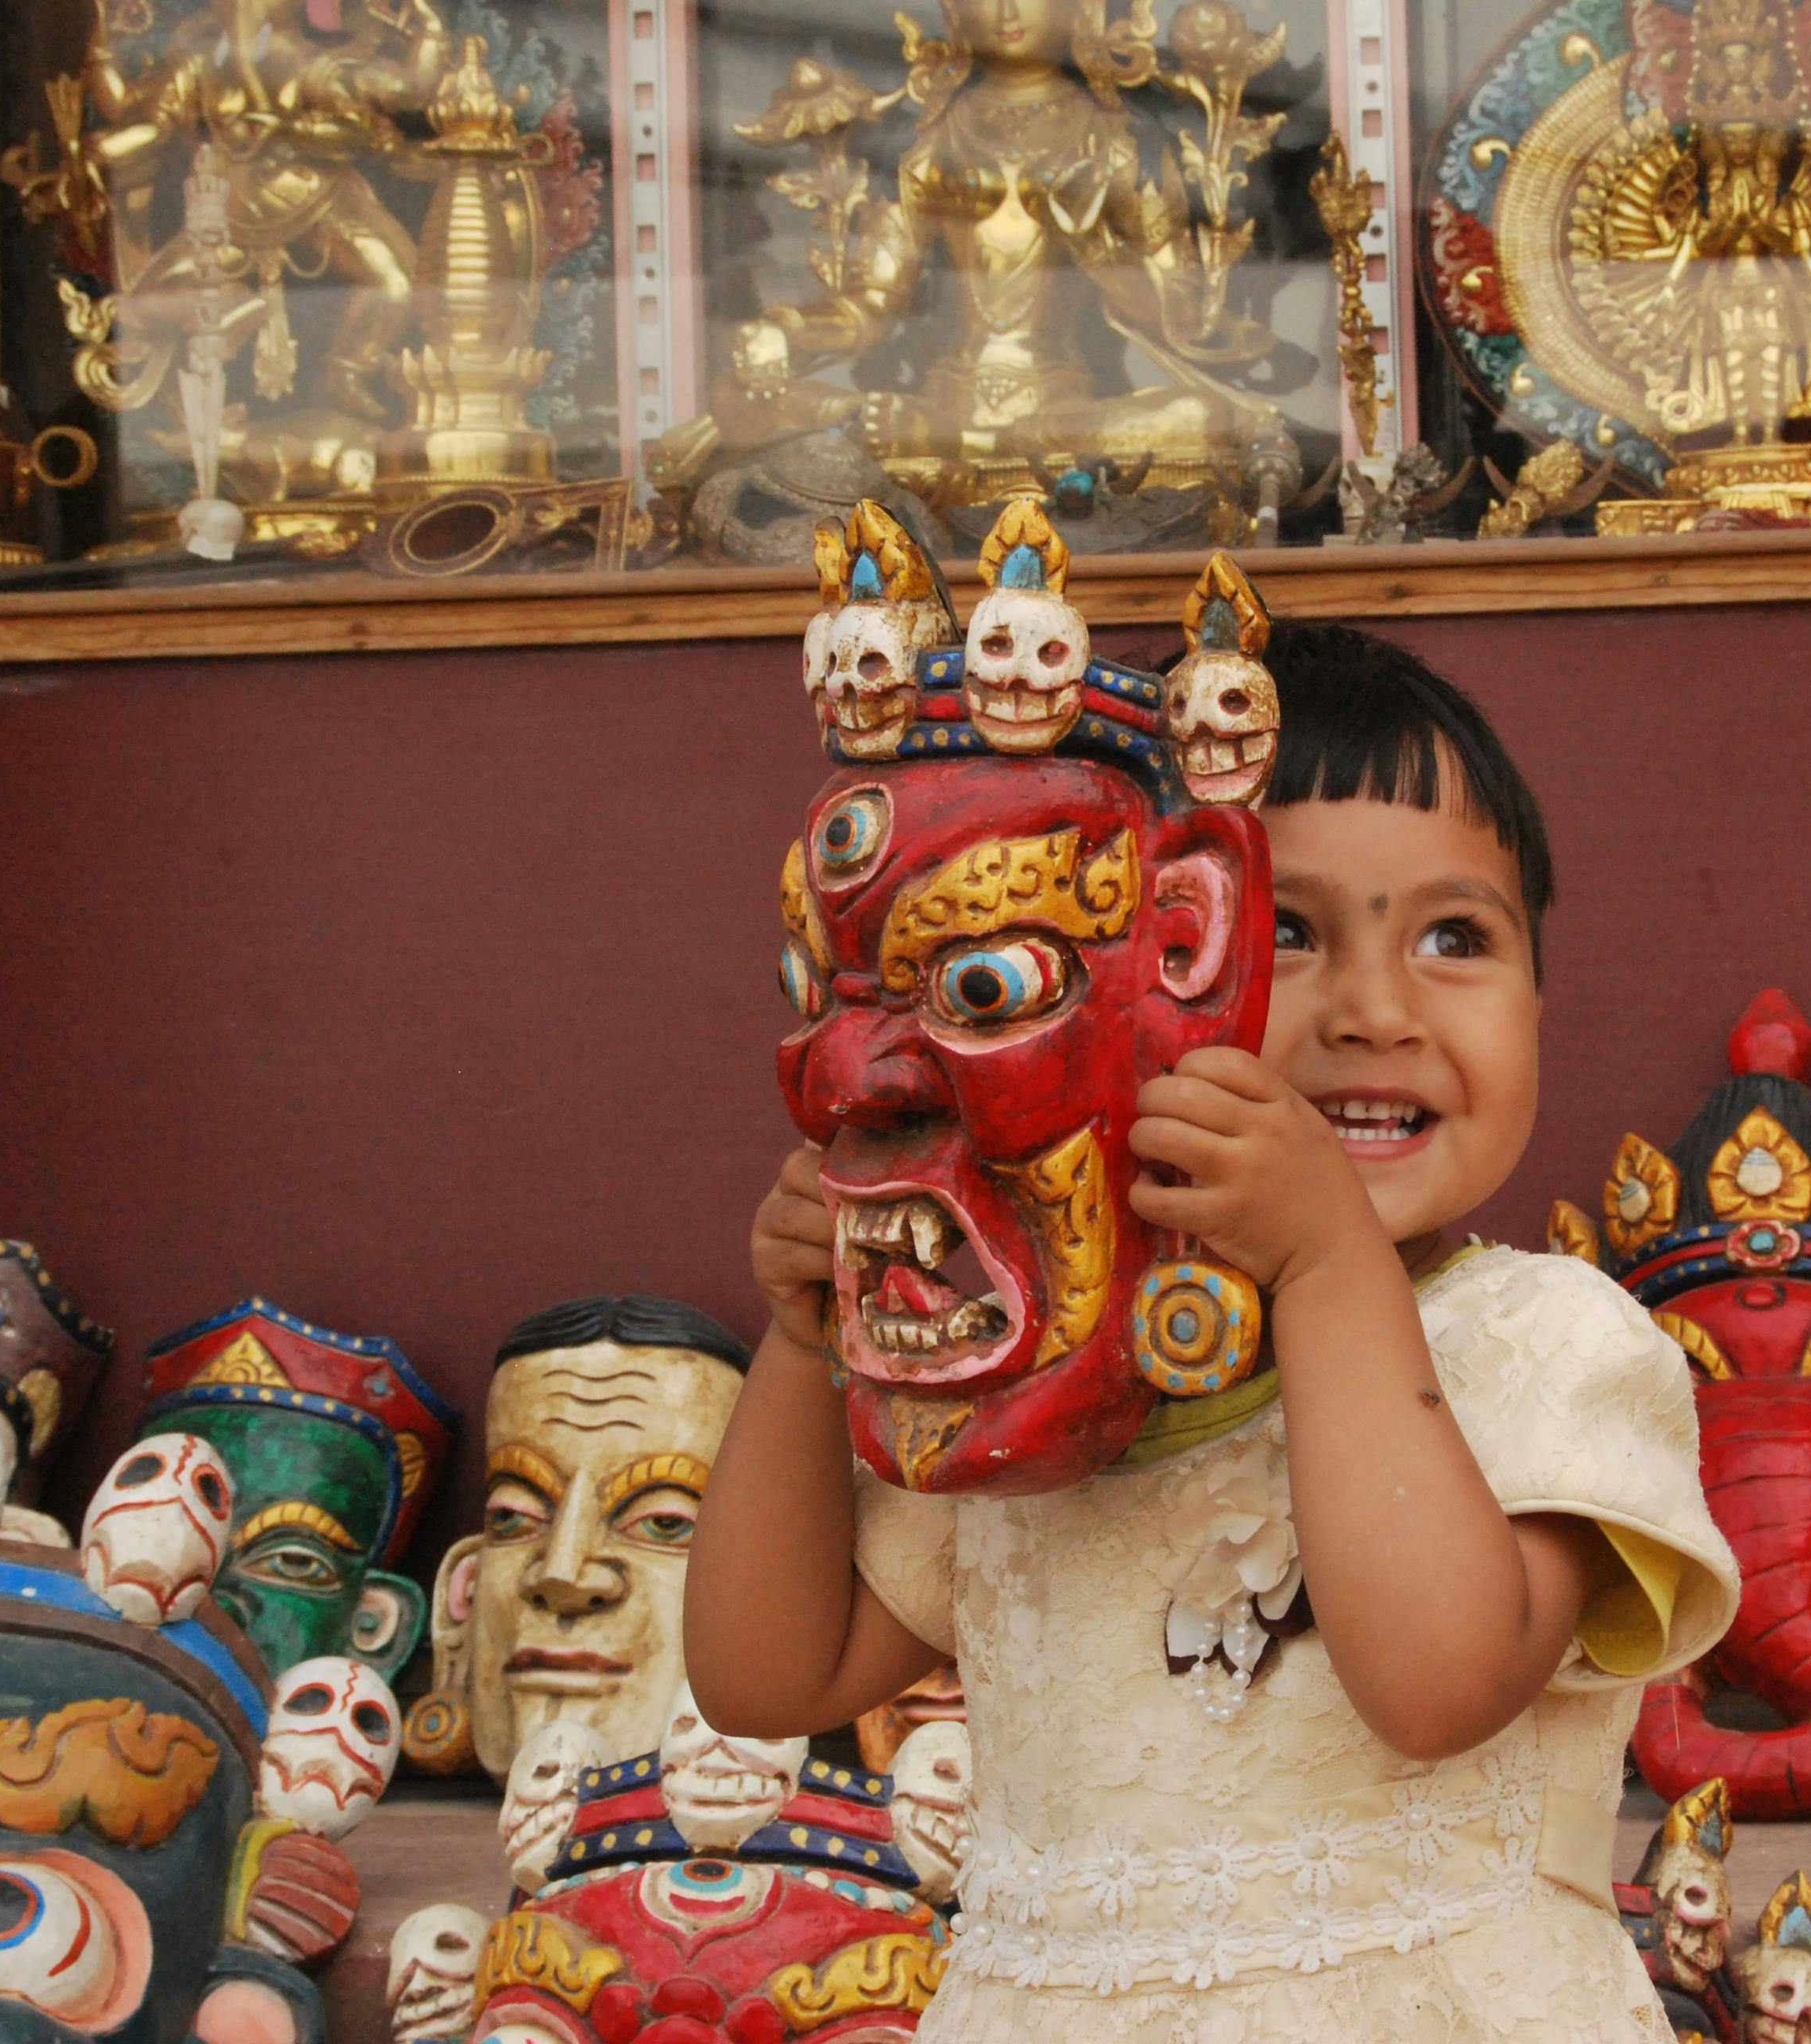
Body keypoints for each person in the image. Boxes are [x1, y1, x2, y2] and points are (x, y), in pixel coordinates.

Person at [688, 620, 1740, 2041]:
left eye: (1457, 937)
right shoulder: (1047, 1365)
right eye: (1292, 934)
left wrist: (1322, 1262)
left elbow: (1435, 1685)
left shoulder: (1553, 1344)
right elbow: (767, 1674)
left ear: (1545, 996)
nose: (1379, 1011)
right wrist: (806, 1340)